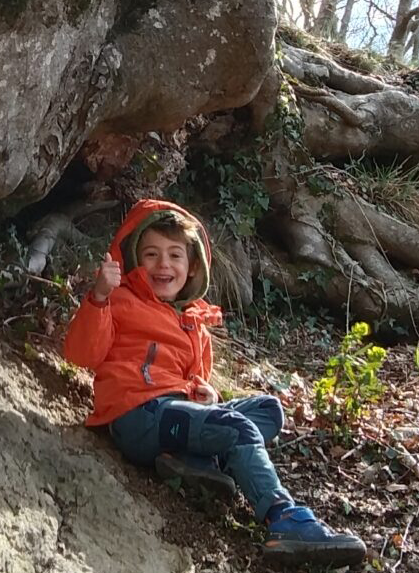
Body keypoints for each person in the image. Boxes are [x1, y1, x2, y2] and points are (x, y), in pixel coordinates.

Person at [63, 199, 367, 567]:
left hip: (173, 412)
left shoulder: (194, 321)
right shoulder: (122, 300)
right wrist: (98, 297)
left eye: (175, 255)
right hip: (139, 415)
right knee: (237, 428)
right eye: (151, 254)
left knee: (268, 410)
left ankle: (190, 460)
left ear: (193, 266)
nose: (163, 265)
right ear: (133, 260)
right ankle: (284, 519)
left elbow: (192, 381)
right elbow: (81, 355)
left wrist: (208, 395)